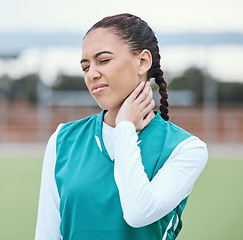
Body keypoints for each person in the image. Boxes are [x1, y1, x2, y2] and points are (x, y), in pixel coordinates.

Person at [35, 13, 208, 240]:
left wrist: (125, 127)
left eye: (103, 60)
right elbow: (47, 234)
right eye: (85, 67)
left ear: (143, 61)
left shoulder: (185, 148)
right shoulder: (62, 140)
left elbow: (138, 213)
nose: (92, 74)